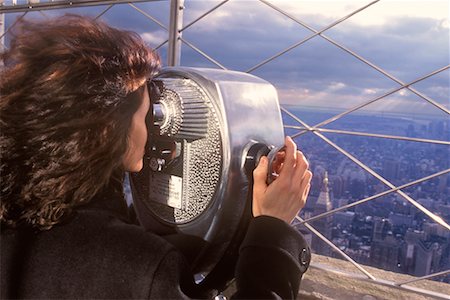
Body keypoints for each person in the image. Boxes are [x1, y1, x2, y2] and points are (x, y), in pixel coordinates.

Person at [0, 15, 313, 299]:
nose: (153, 132)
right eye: (147, 114)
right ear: (108, 129)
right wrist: (272, 228)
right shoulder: (135, 266)